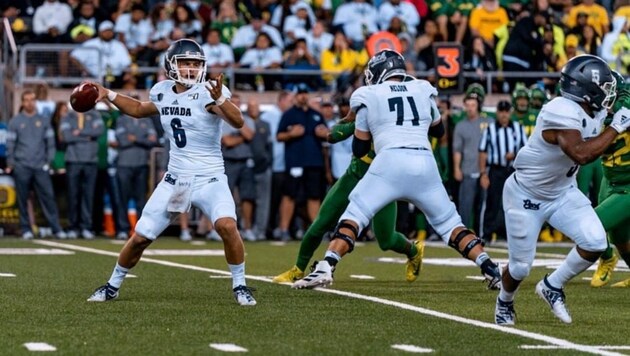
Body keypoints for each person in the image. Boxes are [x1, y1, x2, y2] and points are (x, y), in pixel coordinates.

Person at [292, 50, 501, 290]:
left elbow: (360, 149)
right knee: (451, 224)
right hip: (424, 161)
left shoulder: (367, 95)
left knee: (355, 214)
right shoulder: (423, 90)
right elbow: (439, 132)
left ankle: (326, 266)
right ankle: (489, 267)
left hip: (390, 161)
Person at [86, 39, 256, 306]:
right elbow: (141, 109)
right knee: (140, 237)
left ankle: (240, 285)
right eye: (185, 63)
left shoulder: (208, 93)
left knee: (226, 225)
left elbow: (237, 121)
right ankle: (112, 285)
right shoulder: (162, 91)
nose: (191, 69)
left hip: (210, 177)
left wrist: (221, 98)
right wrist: (109, 94)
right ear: (170, 65)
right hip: (176, 179)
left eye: (196, 63)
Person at [494, 54, 626, 326]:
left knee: (596, 242)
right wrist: (616, 126)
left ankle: (552, 285)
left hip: (563, 192)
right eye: (602, 88)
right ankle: (504, 302)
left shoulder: (591, 107)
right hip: (527, 196)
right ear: (585, 90)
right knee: (519, 267)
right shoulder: (560, 110)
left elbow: (620, 88)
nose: (607, 94)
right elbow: (581, 154)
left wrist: (622, 94)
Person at [6, 89, 66, 240]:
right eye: (26, 100)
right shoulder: (15, 121)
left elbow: (50, 144)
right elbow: (10, 145)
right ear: (22, 102)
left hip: (40, 166)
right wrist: (11, 163)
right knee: (22, 198)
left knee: (48, 197)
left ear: (35, 102)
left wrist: (48, 161)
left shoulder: (44, 121)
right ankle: (26, 229)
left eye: (32, 100)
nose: (29, 103)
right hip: (22, 166)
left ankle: (56, 228)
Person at [590, 71, 630, 288]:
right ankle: (610, 255)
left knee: (590, 223)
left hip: (627, 183)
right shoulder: (594, 109)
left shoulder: (626, 106)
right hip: (609, 178)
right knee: (620, 238)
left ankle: (606, 258)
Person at [478, 100, 527, 243]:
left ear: (510, 112)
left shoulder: (518, 128)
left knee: (513, 203)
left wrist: (515, 154)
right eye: (501, 111)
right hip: (495, 169)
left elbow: (525, 150)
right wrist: (483, 173)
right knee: (492, 201)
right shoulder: (490, 129)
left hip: (512, 170)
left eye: (506, 111)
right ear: (498, 113)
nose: (504, 114)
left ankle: (509, 233)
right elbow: (482, 152)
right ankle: (486, 233)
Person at [60, 107, 104, 239]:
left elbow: (99, 131)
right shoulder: (67, 116)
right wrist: (88, 136)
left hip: (90, 160)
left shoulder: (95, 115)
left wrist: (78, 133)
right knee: (73, 196)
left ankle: (86, 227)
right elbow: (66, 136)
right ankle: (73, 227)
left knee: (88, 196)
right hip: (73, 160)